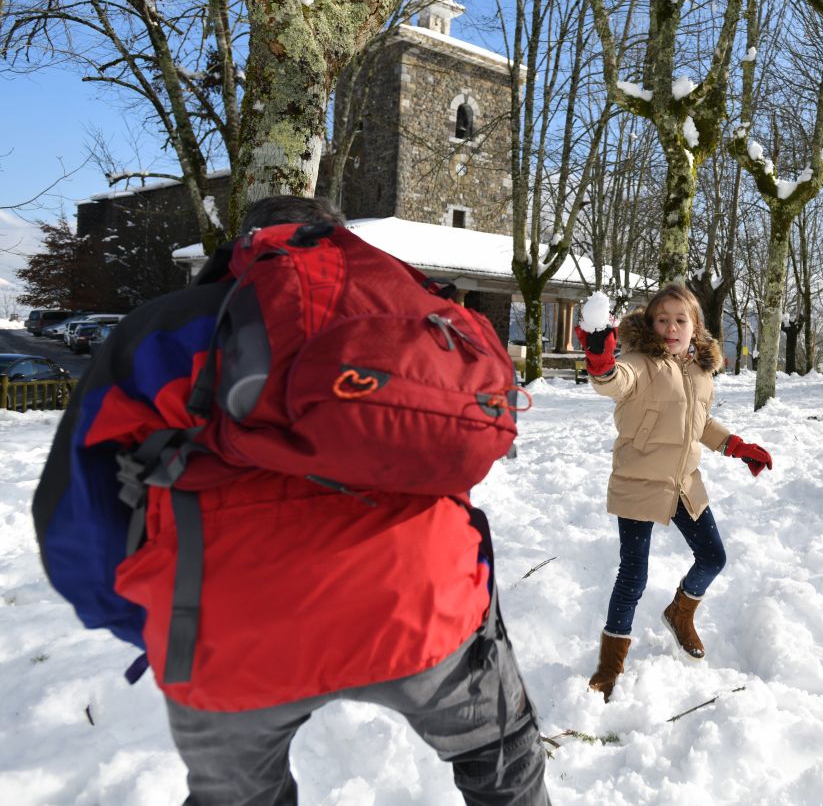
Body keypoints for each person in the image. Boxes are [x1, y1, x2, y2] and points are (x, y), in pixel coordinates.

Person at [32, 196, 549, 806]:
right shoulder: (421, 313)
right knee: (503, 758)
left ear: (245, 241)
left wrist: (155, 623)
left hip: (224, 627)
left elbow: (72, 518)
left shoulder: (163, 329)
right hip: (424, 605)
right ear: (340, 234)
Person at [575, 284, 773, 701]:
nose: (670, 327)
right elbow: (613, 380)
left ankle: (679, 613)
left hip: (684, 482)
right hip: (640, 482)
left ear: (695, 326)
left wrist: (736, 446)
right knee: (633, 576)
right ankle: (609, 667)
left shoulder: (701, 371)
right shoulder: (640, 363)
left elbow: (698, 423)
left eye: (680, 320)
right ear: (651, 324)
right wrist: (599, 360)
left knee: (714, 557)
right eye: (662, 319)